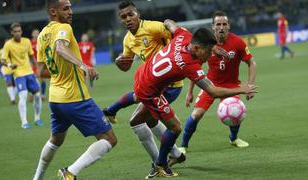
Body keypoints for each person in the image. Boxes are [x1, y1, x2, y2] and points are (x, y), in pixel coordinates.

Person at [132, 19, 257, 178]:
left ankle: (172, 155)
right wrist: (242, 89)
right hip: (149, 91)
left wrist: (213, 48)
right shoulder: (188, 63)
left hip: (142, 73)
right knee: (175, 127)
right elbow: (213, 92)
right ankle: (160, 165)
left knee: (149, 119)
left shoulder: (183, 35)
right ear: (197, 48)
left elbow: (168, 22)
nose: (209, 56)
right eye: (208, 51)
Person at [32, 0, 117, 179]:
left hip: (56, 99)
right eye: (66, 9)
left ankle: (37, 178)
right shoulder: (64, 28)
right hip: (75, 97)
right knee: (109, 139)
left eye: (71, 8)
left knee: (56, 140)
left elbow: (40, 71)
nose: (71, 12)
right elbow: (60, 47)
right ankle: (70, 172)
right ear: (53, 12)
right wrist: (82, 66)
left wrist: (61, 73)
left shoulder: (41, 36)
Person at [103, 0, 186, 169]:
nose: (127, 19)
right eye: (123, 16)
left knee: (136, 120)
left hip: (170, 85)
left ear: (138, 14)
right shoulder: (128, 40)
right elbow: (126, 65)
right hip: (153, 86)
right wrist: (120, 62)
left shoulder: (153, 28)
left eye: (130, 14)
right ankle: (176, 154)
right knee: (149, 120)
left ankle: (159, 164)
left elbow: (180, 37)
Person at [179, 10, 257, 153]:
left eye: (224, 24)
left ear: (229, 26)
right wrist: (189, 92)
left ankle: (233, 138)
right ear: (213, 27)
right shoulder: (206, 45)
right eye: (218, 24)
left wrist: (250, 85)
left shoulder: (238, 43)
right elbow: (195, 69)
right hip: (210, 84)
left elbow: (252, 62)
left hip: (232, 85)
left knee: (235, 112)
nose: (221, 27)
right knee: (196, 114)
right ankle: (183, 145)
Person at [0, 23, 43, 129]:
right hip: (18, 74)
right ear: (11, 33)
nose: (17, 33)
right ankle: (24, 122)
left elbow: (32, 56)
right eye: (15, 31)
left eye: (19, 31)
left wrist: (37, 69)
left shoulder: (26, 41)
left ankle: (37, 119)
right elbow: (2, 60)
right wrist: (10, 65)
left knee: (37, 95)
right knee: (23, 95)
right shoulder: (8, 44)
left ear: (21, 31)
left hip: (29, 72)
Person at [30, 29, 47, 101]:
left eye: (37, 33)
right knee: (34, 79)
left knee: (43, 79)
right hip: (33, 63)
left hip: (42, 63)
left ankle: (42, 95)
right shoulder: (30, 43)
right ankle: (33, 94)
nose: (36, 34)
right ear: (32, 34)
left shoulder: (42, 41)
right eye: (35, 33)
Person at [0, 41, 16, 105]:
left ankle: (13, 98)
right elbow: (2, 61)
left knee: (14, 84)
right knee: (9, 83)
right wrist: (0, 69)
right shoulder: (1, 51)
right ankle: (12, 99)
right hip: (6, 69)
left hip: (14, 69)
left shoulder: (13, 48)